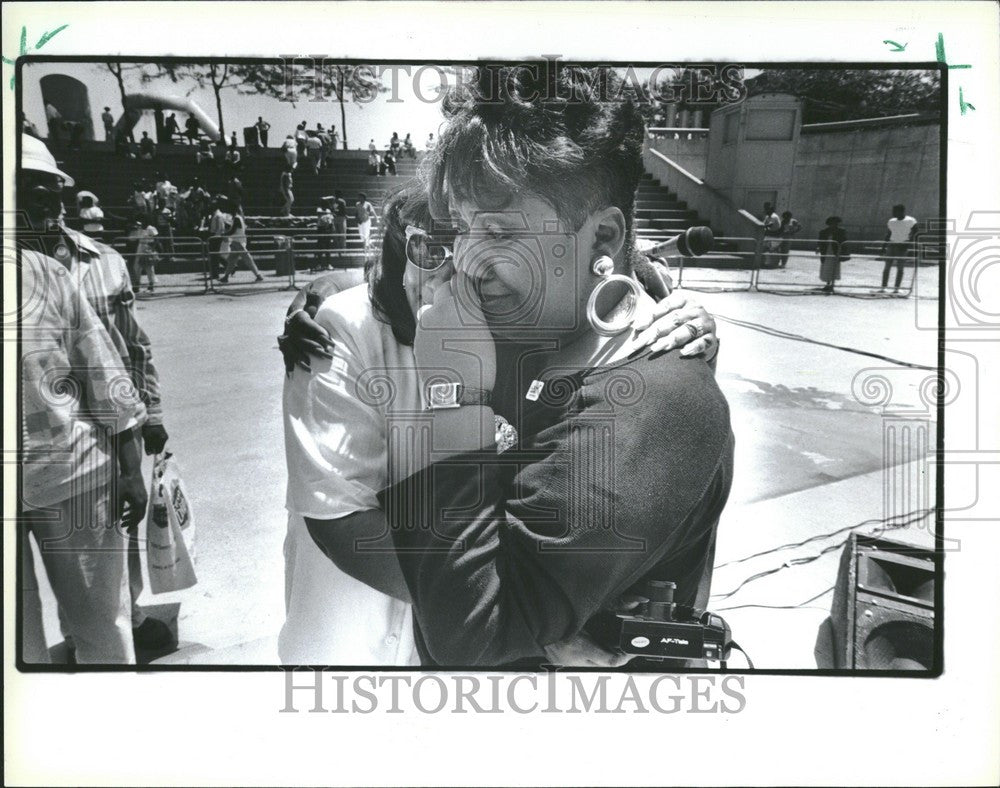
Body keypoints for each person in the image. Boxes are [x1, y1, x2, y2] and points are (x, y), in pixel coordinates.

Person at [302, 65, 734, 668]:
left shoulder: (648, 402)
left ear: (605, 239)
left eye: (501, 231)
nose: (467, 263)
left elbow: (472, 644)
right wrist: (324, 291)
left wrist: (451, 395)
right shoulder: (525, 338)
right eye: (461, 230)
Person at [18, 135, 173, 658]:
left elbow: (127, 350)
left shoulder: (95, 262)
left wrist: (145, 421)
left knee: (103, 611)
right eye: (27, 189)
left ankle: (125, 624)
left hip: (78, 457)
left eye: (50, 189)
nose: (44, 202)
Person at [879, 203, 918, 294]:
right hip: (891, 245)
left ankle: (896, 288)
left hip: (902, 246)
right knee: (887, 267)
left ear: (901, 211)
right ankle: (883, 287)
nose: (893, 213)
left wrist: (908, 243)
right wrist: (883, 246)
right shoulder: (891, 221)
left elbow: (916, 232)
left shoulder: (910, 220)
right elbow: (888, 234)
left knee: (900, 267)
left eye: (895, 211)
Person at [220, 207, 263, 283]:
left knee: (247, 259)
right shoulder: (237, 218)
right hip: (236, 241)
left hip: (239, 241)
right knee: (232, 260)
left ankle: (258, 275)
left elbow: (232, 231)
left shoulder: (236, 218)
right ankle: (226, 277)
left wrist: (224, 234)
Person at [816, 216, 847, 294]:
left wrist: (844, 252)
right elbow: (820, 241)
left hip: (836, 252)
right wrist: (818, 247)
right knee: (826, 268)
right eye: (832, 223)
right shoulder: (823, 232)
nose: (834, 225)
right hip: (826, 252)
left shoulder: (841, 231)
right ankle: (828, 283)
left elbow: (844, 242)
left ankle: (832, 284)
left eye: (836, 223)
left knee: (834, 268)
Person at [129, 218, 159, 292]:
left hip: (148, 247)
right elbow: (131, 239)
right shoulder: (139, 229)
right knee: (137, 266)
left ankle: (151, 285)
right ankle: (136, 285)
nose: (140, 224)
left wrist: (152, 249)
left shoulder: (151, 228)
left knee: (149, 267)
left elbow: (157, 239)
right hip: (140, 247)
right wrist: (133, 231)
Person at [761, 202, 782, 268]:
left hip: (775, 236)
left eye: (767, 209)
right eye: (765, 209)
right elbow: (763, 223)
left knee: (772, 250)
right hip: (769, 235)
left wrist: (764, 226)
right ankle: (766, 263)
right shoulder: (767, 216)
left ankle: (774, 264)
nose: (765, 210)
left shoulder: (774, 216)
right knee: (765, 249)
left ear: (771, 210)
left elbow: (770, 224)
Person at [333, 191, 348, 255]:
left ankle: (337, 248)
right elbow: (344, 210)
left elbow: (333, 209)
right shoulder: (342, 201)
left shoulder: (333, 201)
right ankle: (343, 249)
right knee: (342, 234)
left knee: (336, 234)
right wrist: (345, 215)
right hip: (341, 218)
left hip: (335, 217)